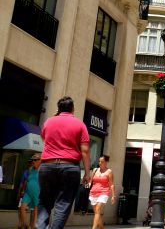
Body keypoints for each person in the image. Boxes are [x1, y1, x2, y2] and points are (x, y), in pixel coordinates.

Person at [37, 96, 91, 229]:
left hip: (47, 166)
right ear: (72, 108)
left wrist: (55, 116)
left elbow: (44, 139)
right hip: (70, 167)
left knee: (44, 201)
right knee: (63, 204)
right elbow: (85, 151)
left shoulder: (48, 122)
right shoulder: (80, 124)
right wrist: (87, 173)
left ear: (59, 109)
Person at [88, 155, 115, 229]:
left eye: (102, 161)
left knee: (98, 210)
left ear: (106, 162)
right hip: (93, 192)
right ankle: (102, 228)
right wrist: (88, 184)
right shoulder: (95, 170)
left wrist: (113, 196)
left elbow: (111, 184)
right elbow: (91, 181)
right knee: (97, 213)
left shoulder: (109, 171)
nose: (100, 163)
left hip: (104, 192)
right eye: (99, 161)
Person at [18, 154, 41, 229]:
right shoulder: (30, 169)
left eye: (35, 160)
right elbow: (26, 181)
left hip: (37, 193)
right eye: (32, 160)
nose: (33, 161)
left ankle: (33, 226)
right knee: (22, 207)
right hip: (27, 192)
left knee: (35, 210)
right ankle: (24, 224)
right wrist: (22, 191)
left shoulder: (42, 170)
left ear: (40, 161)